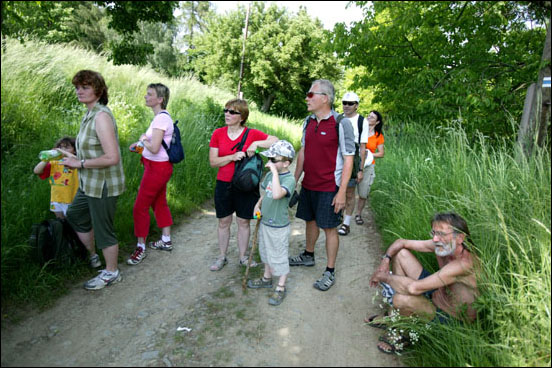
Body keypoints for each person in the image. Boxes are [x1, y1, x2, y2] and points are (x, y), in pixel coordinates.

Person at [367, 212, 480, 354]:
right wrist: (386, 259)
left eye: (441, 234)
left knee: (400, 299)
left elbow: (413, 288)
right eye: (433, 232)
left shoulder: (464, 264)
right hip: (438, 293)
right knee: (401, 254)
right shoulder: (443, 245)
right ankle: (395, 315)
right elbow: (401, 242)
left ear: (460, 238)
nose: (435, 238)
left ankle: (402, 331)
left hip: (450, 319)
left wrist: (384, 277)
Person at [289, 79, 356, 291]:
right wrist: (294, 180)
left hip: (330, 187)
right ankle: (308, 255)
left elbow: (348, 158)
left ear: (325, 98)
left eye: (311, 95)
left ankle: (330, 270)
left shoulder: (340, 123)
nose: (307, 98)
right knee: (309, 221)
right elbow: (303, 151)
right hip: (309, 184)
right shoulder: (308, 121)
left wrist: (342, 192)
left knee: (329, 228)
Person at [62, 70, 125, 290]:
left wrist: (79, 164)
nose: (79, 91)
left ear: (98, 91)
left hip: (104, 185)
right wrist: (73, 157)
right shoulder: (89, 114)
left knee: (103, 229)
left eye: (85, 87)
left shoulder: (101, 116)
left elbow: (112, 157)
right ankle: (94, 257)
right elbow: (92, 151)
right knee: (75, 215)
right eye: (77, 87)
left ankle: (111, 271)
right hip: (89, 182)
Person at [208, 99, 278, 271]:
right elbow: (213, 161)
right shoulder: (218, 133)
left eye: (232, 112)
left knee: (243, 221)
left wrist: (256, 144)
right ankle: (222, 256)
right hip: (224, 184)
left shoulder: (251, 134)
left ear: (242, 116)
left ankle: (243, 257)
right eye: (226, 110)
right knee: (224, 221)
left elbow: (275, 141)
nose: (227, 114)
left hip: (246, 185)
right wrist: (231, 157)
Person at [127, 83, 174, 266]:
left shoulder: (161, 119)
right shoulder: (161, 118)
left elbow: (154, 148)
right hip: (158, 166)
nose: (146, 96)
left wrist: (143, 140)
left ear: (160, 99)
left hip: (156, 168)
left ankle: (140, 247)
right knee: (159, 202)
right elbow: (156, 147)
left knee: (140, 207)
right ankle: (166, 240)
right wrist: (140, 147)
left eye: (150, 94)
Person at [246, 140, 296, 306]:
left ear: (286, 163)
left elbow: (276, 194)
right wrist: (257, 205)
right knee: (265, 251)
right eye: (270, 160)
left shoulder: (288, 179)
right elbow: (267, 193)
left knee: (279, 256)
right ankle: (267, 277)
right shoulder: (269, 176)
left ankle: (281, 286)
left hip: (279, 227)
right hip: (265, 222)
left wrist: (275, 173)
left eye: (274, 160)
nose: (270, 163)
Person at [336, 92, 369, 235]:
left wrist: (360, 169)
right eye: (344, 102)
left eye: (350, 103)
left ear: (356, 105)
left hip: (353, 159)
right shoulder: (338, 118)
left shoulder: (362, 121)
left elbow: (363, 147)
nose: (346, 106)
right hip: (336, 158)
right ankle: (338, 216)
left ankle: (346, 224)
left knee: (349, 192)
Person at [33, 137, 79, 220]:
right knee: (61, 222)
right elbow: (37, 171)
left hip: (72, 199)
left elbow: (77, 160)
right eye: (61, 147)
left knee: (75, 222)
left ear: (75, 150)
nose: (62, 150)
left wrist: (64, 153)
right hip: (57, 199)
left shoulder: (76, 162)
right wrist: (46, 159)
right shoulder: (54, 163)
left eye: (67, 147)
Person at [355, 110, 384, 225]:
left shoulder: (378, 136)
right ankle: (342, 215)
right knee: (349, 191)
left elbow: (381, 153)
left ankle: (358, 214)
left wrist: (369, 153)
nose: (369, 118)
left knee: (363, 193)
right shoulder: (358, 130)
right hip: (354, 164)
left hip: (368, 166)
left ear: (377, 122)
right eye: (368, 116)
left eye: (372, 117)